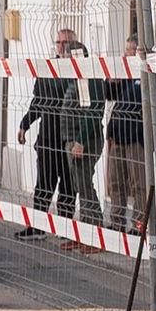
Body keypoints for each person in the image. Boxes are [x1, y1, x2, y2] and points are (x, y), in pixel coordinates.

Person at [15, 26, 78, 234]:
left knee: (68, 186)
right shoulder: (48, 68)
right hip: (48, 136)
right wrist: (25, 124)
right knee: (43, 184)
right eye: (59, 42)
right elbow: (38, 102)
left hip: (69, 137)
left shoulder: (81, 69)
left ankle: (64, 227)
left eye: (66, 42)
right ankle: (38, 227)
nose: (62, 46)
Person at [103, 35, 156, 231]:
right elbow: (109, 96)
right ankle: (116, 222)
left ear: (141, 52)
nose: (125, 55)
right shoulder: (127, 74)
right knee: (116, 182)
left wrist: (143, 128)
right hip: (118, 135)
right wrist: (112, 82)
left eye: (129, 51)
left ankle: (139, 225)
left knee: (139, 184)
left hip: (138, 140)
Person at [61, 40, 106, 237]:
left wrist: (80, 141)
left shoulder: (89, 78)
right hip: (73, 139)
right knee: (80, 185)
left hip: (86, 141)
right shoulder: (77, 78)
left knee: (85, 186)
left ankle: (95, 234)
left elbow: (94, 111)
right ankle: (84, 232)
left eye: (66, 58)